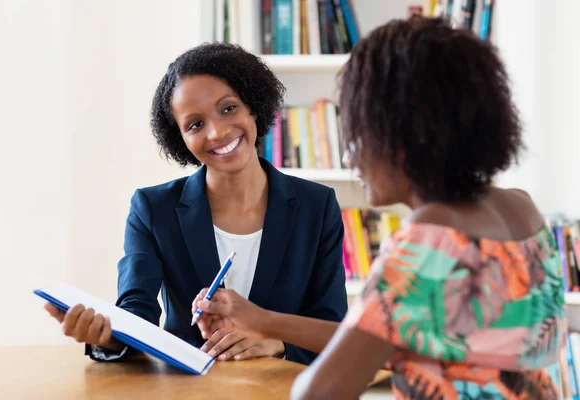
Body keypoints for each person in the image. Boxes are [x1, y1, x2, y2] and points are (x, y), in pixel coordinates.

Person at [192, 17, 567, 399]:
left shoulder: (428, 239)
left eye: (355, 130)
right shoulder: (521, 209)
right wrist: (262, 320)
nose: (347, 154)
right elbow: (377, 334)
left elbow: (316, 393)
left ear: (401, 133)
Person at [43, 42, 348, 366]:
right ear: (181, 140)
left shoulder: (317, 205)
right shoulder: (152, 208)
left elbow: (333, 328)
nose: (217, 132)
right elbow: (136, 312)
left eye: (228, 108)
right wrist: (106, 337)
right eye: (195, 124)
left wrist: (277, 344)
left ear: (252, 106)